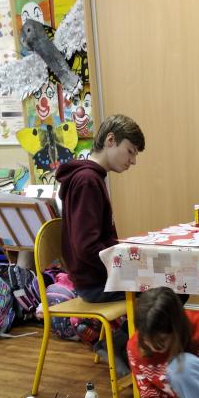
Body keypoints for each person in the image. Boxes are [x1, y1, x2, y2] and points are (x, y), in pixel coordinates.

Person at [56, 114, 145, 375]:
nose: (133, 161)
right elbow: (86, 246)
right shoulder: (87, 181)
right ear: (110, 140)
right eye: (130, 151)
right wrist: (121, 266)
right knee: (171, 288)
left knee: (165, 281)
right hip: (95, 283)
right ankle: (115, 344)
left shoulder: (91, 177)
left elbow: (94, 241)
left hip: (95, 277)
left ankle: (125, 344)